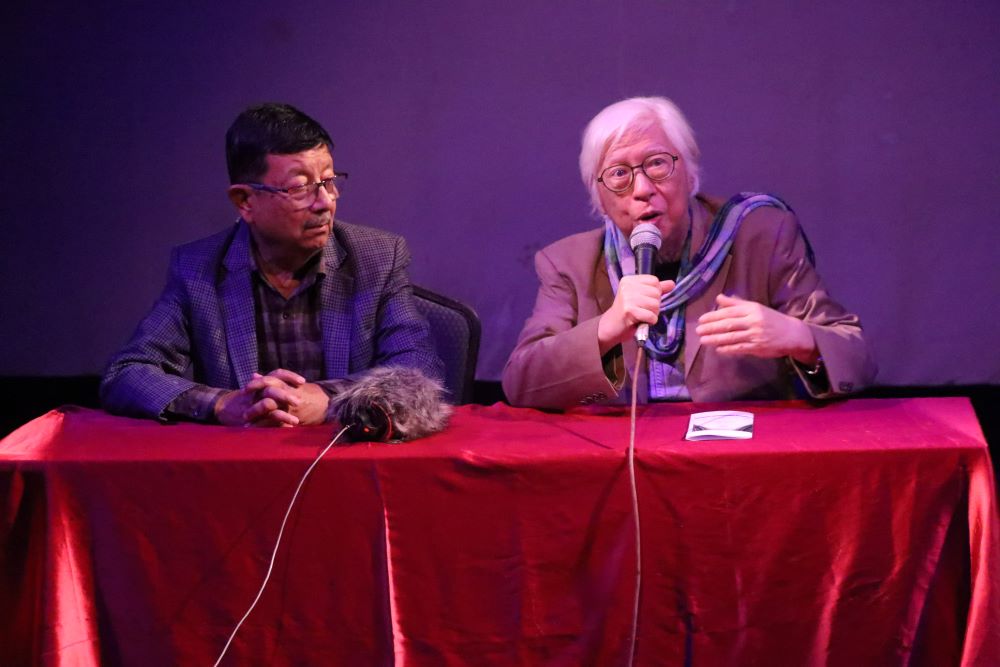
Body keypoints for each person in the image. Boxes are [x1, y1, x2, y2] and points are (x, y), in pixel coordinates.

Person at [502, 96, 876, 409]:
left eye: (657, 163)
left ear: (690, 171)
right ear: (597, 195)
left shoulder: (760, 236)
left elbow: (859, 360)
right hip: (624, 457)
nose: (642, 188)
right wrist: (605, 329)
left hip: (738, 455)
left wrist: (801, 338)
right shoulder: (568, 263)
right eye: (618, 174)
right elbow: (521, 383)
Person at [101, 103, 442, 427]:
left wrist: (328, 399)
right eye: (300, 188)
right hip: (241, 460)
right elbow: (127, 373)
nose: (325, 202)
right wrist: (223, 404)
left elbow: (418, 372)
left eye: (329, 181)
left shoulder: (377, 258)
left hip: (342, 456)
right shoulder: (198, 269)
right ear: (245, 201)